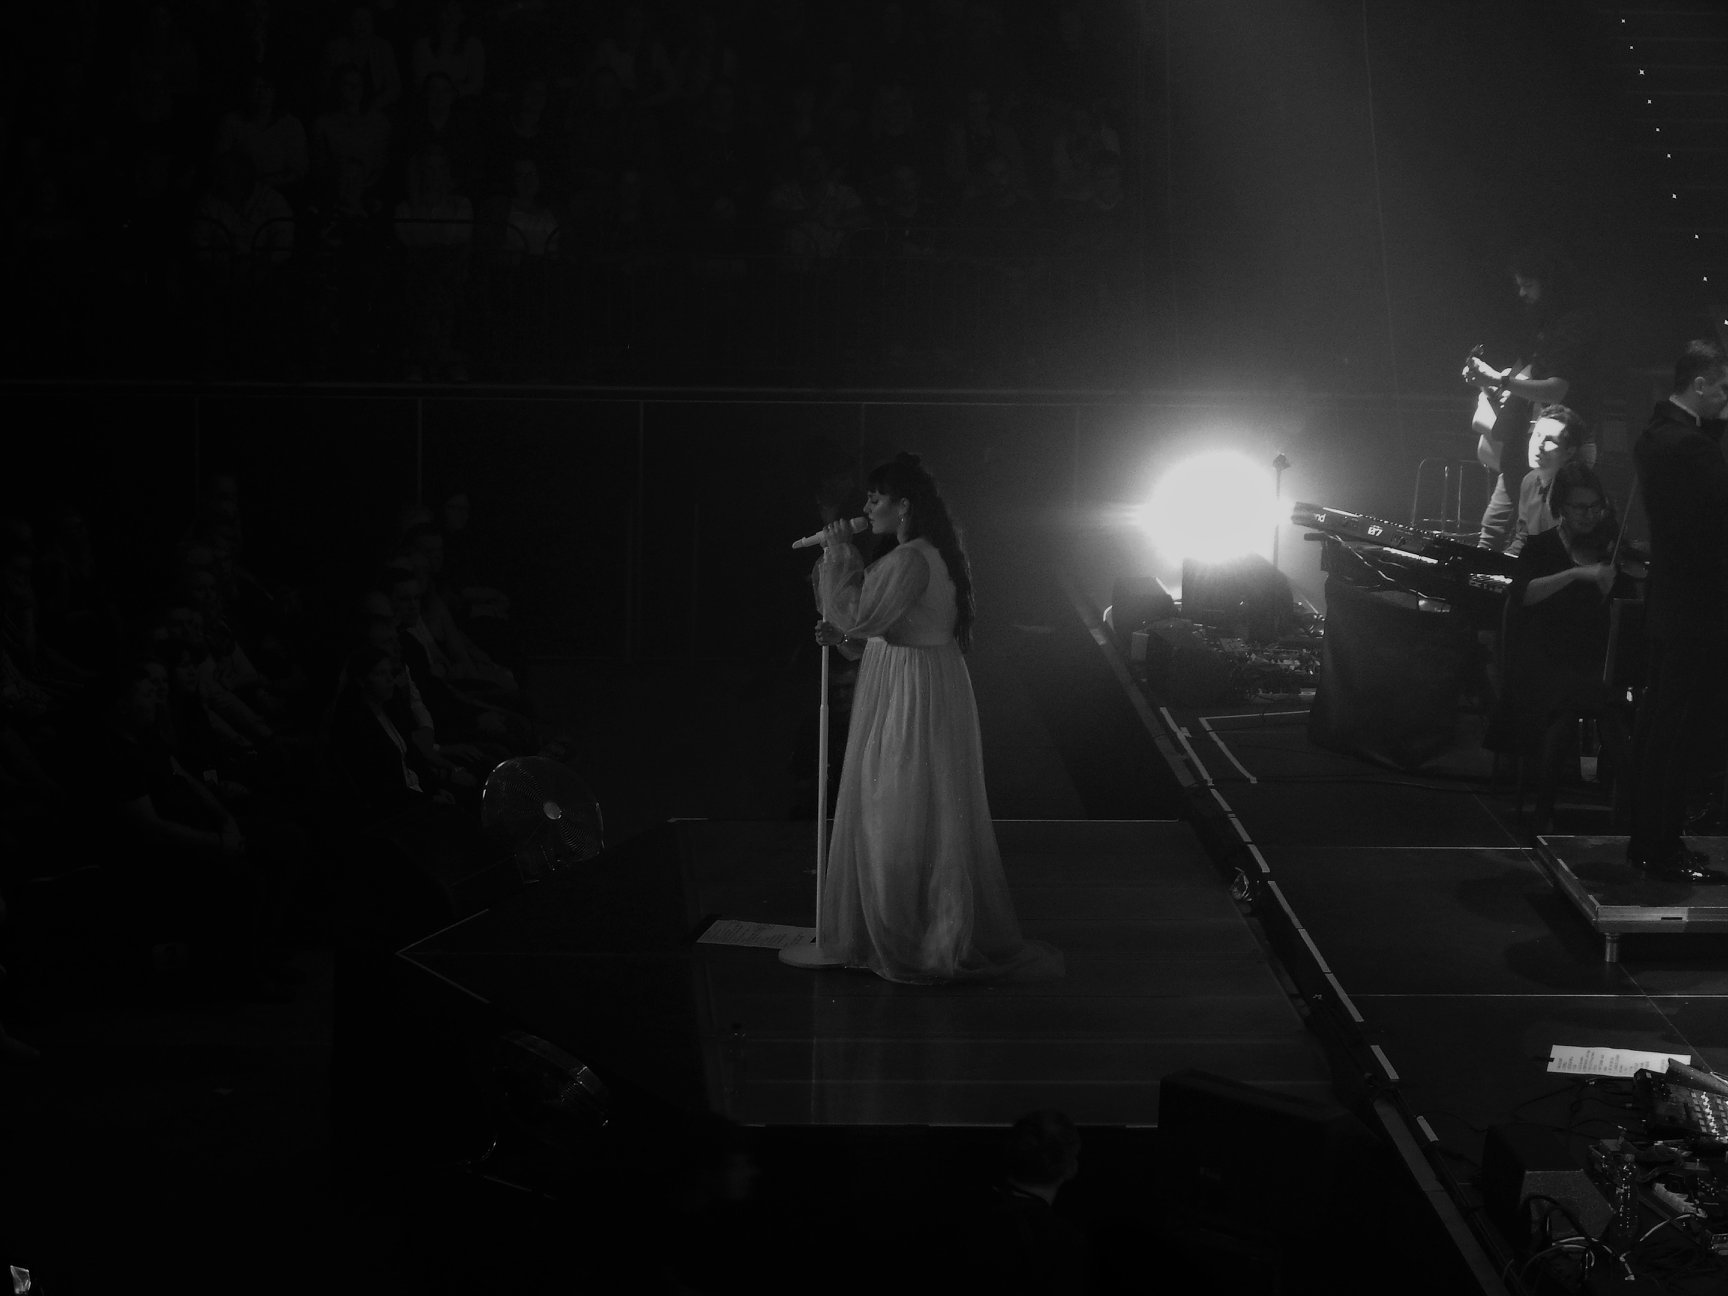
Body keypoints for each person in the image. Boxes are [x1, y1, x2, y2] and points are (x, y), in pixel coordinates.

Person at [780, 453, 1062, 983]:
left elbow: (861, 614)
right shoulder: (923, 554)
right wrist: (844, 634)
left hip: (911, 688)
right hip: (912, 677)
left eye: (876, 499)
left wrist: (837, 553)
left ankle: (907, 933)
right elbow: (875, 628)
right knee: (907, 803)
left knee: (895, 803)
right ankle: (906, 924)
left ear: (904, 505)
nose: (867, 508)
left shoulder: (911, 559)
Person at [1626, 340, 1728, 882]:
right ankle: (1661, 846)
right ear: (1701, 384)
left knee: (1661, 724)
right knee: (1678, 729)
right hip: (1698, 607)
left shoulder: (1655, 435)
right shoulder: (1693, 447)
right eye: (1723, 388)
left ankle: (1650, 839)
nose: (1727, 399)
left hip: (1669, 601)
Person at [1489, 461, 1635, 838]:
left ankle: (1627, 813)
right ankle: (1551, 812)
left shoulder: (1609, 548)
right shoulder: (1541, 547)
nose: (1589, 515)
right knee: (1574, 703)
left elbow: (1625, 607)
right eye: (1579, 507)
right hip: (1543, 661)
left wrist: (1617, 583)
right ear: (1561, 508)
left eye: (1595, 506)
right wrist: (1575, 573)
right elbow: (1523, 594)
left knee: (1610, 705)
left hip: (1590, 662)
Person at [1468, 245, 1599, 551]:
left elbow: (1556, 389)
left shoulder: (1575, 325)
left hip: (1561, 443)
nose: (1522, 293)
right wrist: (1492, 384)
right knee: (1492, 532)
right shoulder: (1539, 324)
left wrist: (1497, 380)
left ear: (1548, 284)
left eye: (1527, 285)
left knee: (1531, 538)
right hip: (1528, 439)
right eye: (1519, 285)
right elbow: (1522, 375)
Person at [1505, 405, 1583, 557]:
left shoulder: (1575, 491)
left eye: (1550, 440)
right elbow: (1523, 538)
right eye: (1537, 435)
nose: (1539, 445)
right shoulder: (1529, 481)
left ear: (1569, 452)